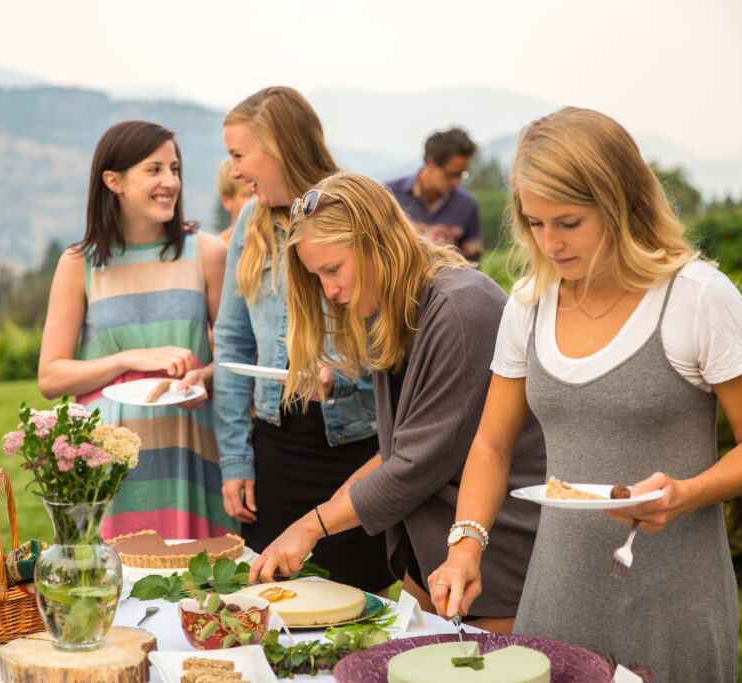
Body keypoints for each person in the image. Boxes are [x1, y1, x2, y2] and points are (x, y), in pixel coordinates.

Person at [428, 107, 742, 680]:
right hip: (555, 590)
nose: (549, 243)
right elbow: (492, 447)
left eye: (568, 222)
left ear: (620, 204)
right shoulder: (528, 303)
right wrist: (466, 546)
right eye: (535, 222)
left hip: (673, 599)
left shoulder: (699, 298)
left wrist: (686, 493)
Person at [249, 171, 547, 633]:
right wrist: (343, 495)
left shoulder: (461, 308)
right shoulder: (395, 306)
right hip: (429, 558)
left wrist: (310, 526)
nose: (328, 291)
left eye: (333, 269)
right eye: (317, 276)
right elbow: (404, 444)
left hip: (492, 563)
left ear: (376, 244)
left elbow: (416, 464)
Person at [214, 87, 393, 593]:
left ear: (278, 149)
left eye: (239, 155)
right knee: (269, 598)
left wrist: (343, 377)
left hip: (352, 452)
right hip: (274, 450)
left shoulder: (351, 214)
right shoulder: (251, 222)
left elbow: (393, 342)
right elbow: (230, 345)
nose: (235, 171)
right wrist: (235, 461)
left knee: (355, 605)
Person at [38, 121, 236, 540]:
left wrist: (203, 377)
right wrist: (129, 359)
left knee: (198, 596)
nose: (170, 181)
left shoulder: (208, 254)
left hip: (191, 459)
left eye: (175, 169)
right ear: (114, 181)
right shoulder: (80, 263)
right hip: (106, 471)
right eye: (154, 169)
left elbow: (238, 360)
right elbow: (50, 377)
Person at [385, 127, 483, 262]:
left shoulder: (467, 205)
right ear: (429, 162)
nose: (456, 182)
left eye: (461, 175)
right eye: (450, 175)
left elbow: (472, 263)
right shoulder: (389, 194)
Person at [215, 157, 254, 245]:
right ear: (227, 201)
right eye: (248, 195)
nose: (256, 201)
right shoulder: (219, 248)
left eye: (258, 192)